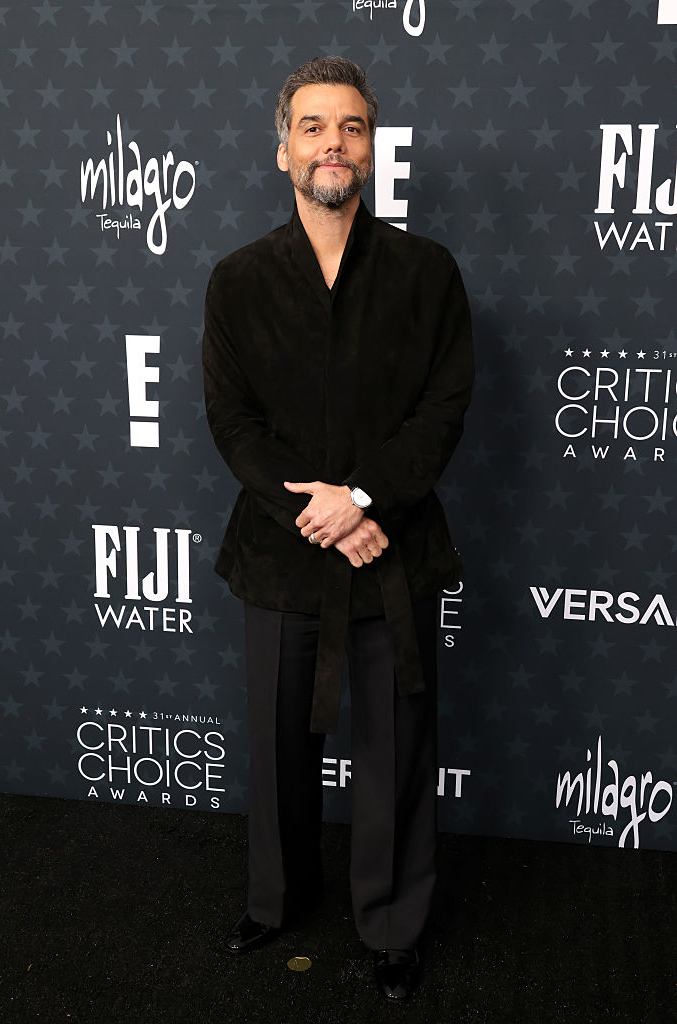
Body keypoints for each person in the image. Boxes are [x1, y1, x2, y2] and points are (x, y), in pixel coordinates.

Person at [202, 56, 473, 1002]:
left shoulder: (426, 272)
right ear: (283, 150)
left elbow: (442, 410)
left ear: (371, 149)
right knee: (278, 746)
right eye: (313, 126)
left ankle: (393, 926)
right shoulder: (237, 280)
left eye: (351, 127)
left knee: (395, 748)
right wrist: (319, 513)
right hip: (280, 557)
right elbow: (233, 423)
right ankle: (276, 900)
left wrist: (361, 500)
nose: (333, 143)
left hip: (392, 549)